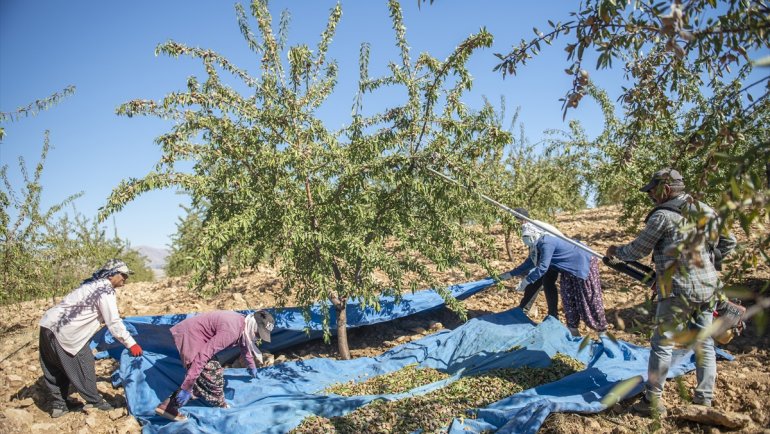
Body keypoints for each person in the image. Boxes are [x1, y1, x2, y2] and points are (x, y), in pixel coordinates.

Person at [606, 168, 736, 417]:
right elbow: (728, 243)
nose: (651, 197)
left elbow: (637, 250)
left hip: (678, 288)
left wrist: (616, 252)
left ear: (665, 189)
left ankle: (653, 402)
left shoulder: (662, 217)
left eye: (653, 191)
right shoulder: (704, 209)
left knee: (662, 343)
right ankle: (704, 401)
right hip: (709, 288)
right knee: (704, 344)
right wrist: (707, 261)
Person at [39, 259, 142, 418]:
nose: (125, 279)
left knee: (55, 365)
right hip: (67, 332)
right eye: (123, 275)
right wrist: (131, 344)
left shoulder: (90, 286)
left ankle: (59, 404)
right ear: (111, 274)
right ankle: (95, 402)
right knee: (84, 361)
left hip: (47, 326)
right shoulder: (105, 290)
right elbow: (113, 322)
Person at [155, 309, 275, 421]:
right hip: (191, 336)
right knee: (213, 376)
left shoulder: (243, 324)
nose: (257, 336)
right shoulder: (232, 331)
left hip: (198, 337)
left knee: (204, 378)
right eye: (258, 333)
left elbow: (244, 345)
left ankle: (167, 406)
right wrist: (186, 386)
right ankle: (222, 409)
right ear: (253, 325)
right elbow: (203, 355)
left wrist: (251, 365)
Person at [501, 220, 609, 336]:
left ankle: (602, 332)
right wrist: (510, 274)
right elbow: (529, 263)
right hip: (566, 269)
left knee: (588, 298)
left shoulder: (547, 242)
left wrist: (526, 281)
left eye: (528, 236)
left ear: (536, 233)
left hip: (582, 262)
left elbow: (542, 267)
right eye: (524, 237)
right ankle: (573, 330)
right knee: (568, 297)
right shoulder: (535, 246)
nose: (526, 239)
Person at [500, 208, 565, 319]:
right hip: (548, 256)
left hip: (555, 256)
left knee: (546, 282)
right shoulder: (528, 229)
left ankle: (552, 316)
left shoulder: (533, 228)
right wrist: (511, 274)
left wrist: (526, 280)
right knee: (536, 281)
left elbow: (541, 263)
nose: (514, 222)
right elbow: (532, 260)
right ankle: (524, 310)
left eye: (516, 219)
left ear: (521, 219)